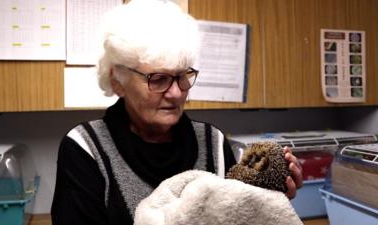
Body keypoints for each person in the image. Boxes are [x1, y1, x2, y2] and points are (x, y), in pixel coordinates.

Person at [51, 0, 303, 224]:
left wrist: (268, 198)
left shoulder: (213, 142)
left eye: (182, 76)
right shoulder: (86, 148)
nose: (175, 93)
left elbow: (237, 215)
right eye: (158, 79)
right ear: (118, 80)